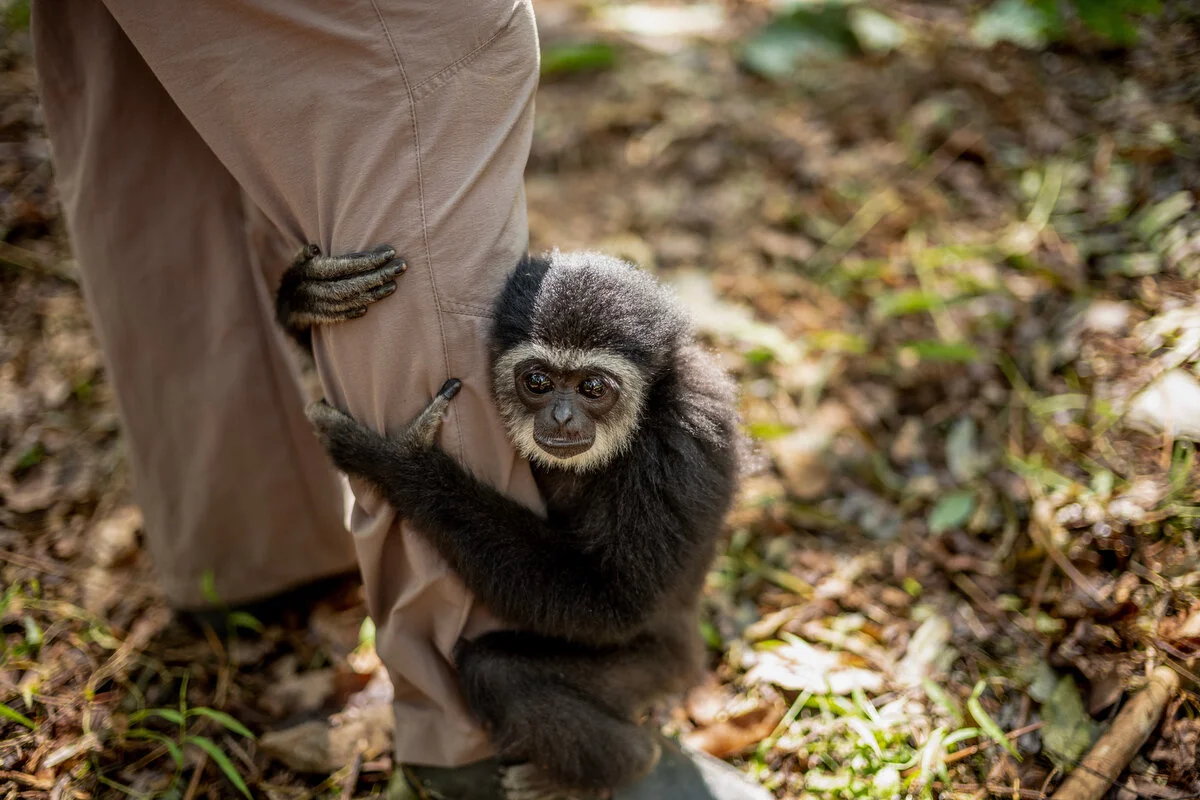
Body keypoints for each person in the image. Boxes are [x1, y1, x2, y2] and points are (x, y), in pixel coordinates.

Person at [31, 3, 768, 797]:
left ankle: (603, 757)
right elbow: (417, 348)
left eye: (594, 391)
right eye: (537, 383)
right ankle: (421, 706)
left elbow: (608, 608)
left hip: (618, 643)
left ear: (649, 385)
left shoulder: (685, 429)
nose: (561, 416)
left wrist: (414, 479)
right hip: (561, 584)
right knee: (438, 47)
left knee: (137, 89)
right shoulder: (526, 373)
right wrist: (304, 312)